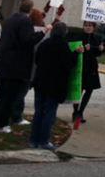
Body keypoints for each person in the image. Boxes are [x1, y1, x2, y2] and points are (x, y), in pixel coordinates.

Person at [0, 0, 47, 133]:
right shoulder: (25, 21)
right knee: (10, 97)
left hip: (3, 62)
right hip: (15, 66)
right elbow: (27, 40)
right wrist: (42, 32)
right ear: (31, 10)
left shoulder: (9, 19)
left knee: (2, 95)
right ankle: (2, 125)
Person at [29, 21, 83, 150]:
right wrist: (75, 53)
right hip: (55, 86)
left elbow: (37, 60)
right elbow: (69, 65)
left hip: (40, 82)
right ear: (64, 33)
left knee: (39, 112)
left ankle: (33, 140)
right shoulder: (63, 47)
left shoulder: (44, 45)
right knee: (49, 113)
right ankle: (43, 140)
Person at [72, 20, 104, 125]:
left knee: (89, 90)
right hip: (81, 67)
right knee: (78, 91)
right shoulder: (79, 37)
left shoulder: (97, 38)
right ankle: (75, 112)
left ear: (94, 27)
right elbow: (74, 50)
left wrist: (100, 50)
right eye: (86, 25)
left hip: (91, 68)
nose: (88, 27)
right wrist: (84, 49)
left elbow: (97, 54)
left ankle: (81, 112)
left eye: (90, 25)